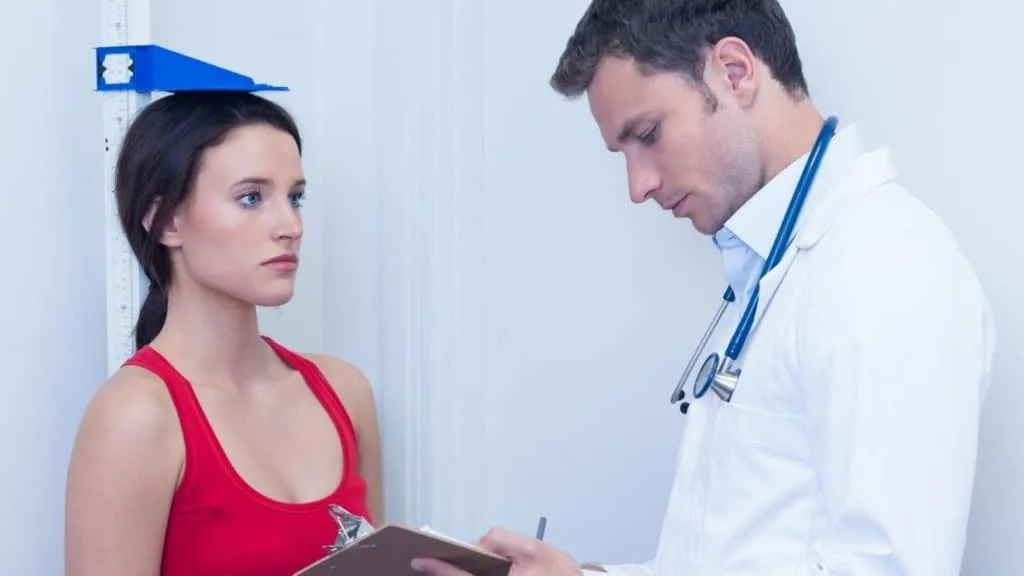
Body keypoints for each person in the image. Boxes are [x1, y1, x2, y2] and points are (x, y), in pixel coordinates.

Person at [411, 0, 996, 575]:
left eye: (648, 134)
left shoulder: (884, 266)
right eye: (624, 152)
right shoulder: (773, 267)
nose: (637, 186)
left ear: (735, 71)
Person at [64, 91, 383, 575]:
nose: (290, 225)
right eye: (251, 197)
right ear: (165, 220)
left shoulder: (344, 392)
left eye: (295, 196)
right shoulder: (135, 417)